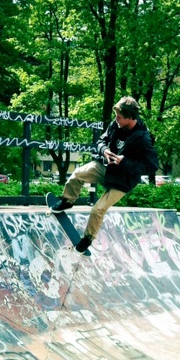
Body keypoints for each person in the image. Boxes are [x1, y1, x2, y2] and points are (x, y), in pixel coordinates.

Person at [50, 96, 159, 252]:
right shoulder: (115, 124)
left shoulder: (143, 138)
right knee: (78, 174)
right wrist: (105, 151)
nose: (116, 119)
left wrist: (124, 162)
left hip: (123, 180)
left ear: (130, 117)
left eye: (119, 117)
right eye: (116, 116)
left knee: (98, 209)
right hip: (106, 167)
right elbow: (101, 141)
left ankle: (87, 239)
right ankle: (67, 200)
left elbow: (151, 165)